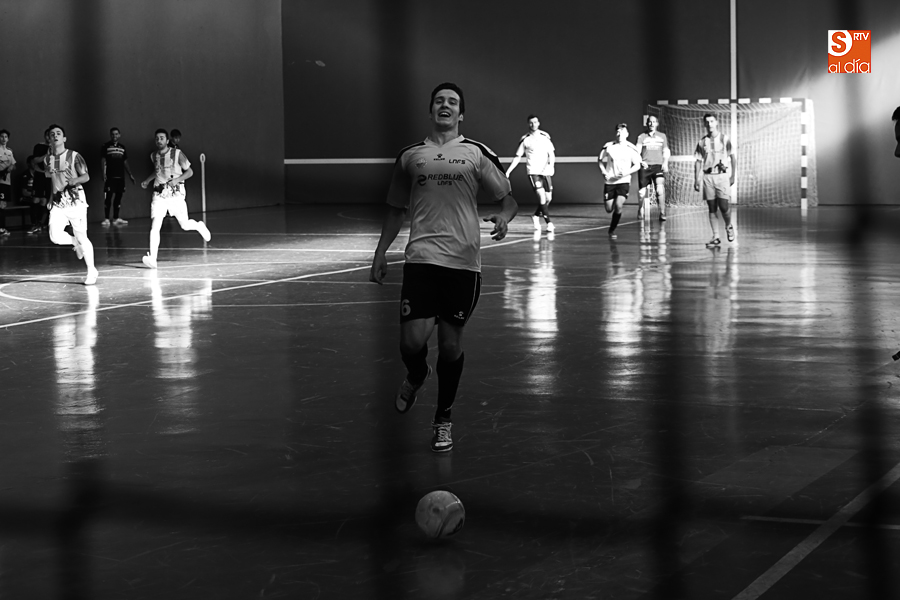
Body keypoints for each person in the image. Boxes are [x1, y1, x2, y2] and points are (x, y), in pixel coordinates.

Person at [369, 82, 518, 453]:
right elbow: (395, 209)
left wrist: (504, 217)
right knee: (411, 342)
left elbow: (508, 199)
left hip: (463, 264)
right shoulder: (410, 156)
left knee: (450, 347)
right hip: (421, 259)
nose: (445, 105)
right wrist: (380, 252)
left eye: (452, 102)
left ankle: (443, 419)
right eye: (439, 101)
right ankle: (418, 373)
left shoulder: (476, 153)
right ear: (431, 110)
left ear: (461, 113)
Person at [36, 124, 99, 285]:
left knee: (83, 236)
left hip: (76, 201)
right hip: (58, 203)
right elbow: (53, 180)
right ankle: (74, 242)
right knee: (55, 236)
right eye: (52, 134)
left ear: (64, 138)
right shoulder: (48, 159)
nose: (55, 136)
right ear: (49, 139)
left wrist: (75, 180)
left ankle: (91, 270)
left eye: (58, 133)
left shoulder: (74, 156)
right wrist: (50, 198)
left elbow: (86, 177)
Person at [140, 129, 211, 269]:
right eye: (157, 138)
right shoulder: (153, 156)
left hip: (176, 196)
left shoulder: (177, 154)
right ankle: (153, 258)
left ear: (167, 140)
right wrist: (147, 181)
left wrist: (177, 180)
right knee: (155, 225)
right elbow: (158, 171)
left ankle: (199, 226)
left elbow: (190, 172)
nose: (159, 140)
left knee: (185, 225)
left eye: (162, 138)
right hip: (159, 196)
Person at [505, 114, 555, 234]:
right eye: (531, 123)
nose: (533, 124)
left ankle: (536, 216)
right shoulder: (525, 139)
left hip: (545, 172)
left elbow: (551, 154)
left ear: (539, 123)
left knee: (548, 198)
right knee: (541, 196)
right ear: (528, 124)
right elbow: (517, 157)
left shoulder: (545, 137)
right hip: (533, 172)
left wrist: (551, 166)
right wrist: (508, 171)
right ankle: (549, 223)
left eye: (535, 122)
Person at [693, 113, 736, 247]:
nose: (709, 124)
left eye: (712, 121)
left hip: (722, 176)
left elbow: (732, 157)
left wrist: (733, 175)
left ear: (716, 122)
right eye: (707, 122)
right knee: (712, 207)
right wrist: (696, 179)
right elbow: (698, 161)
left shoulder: (724, 139)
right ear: (704, 124)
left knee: (723, 206)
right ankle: (716, 236)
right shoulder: (702, 142)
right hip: (708, 177)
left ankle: (728, 226)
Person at [598, 123, 641, 239]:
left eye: (622, 131)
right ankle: (612, 207)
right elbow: (600, 160)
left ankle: (612, 230)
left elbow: (637, 165)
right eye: (618, 131)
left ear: (627, 134)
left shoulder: (631, 148)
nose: (619, 133)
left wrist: (627, 172)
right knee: (609, 209)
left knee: (618, 205)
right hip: (610, 182)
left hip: (624, 181)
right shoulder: (609, 146)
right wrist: (604, 172)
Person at [635, 115, 670, 221]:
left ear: (657, 124)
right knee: (641, 193)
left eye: (654, 122)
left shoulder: (662, 136)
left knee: (659, 189)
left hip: (658, 166)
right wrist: (641, 162)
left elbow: (666, 151)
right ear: (647, 123)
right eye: (650, 122)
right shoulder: (641, 137)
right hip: (645, 167)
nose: (652, 124)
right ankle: (640, 209)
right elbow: (636, 152)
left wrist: (665, 162)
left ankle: (662, 212)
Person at [100, 127, 136, 226]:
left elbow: (125, 162)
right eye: (112, 134)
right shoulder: (106, 146)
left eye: (116, 134)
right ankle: (107, 219)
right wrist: (103, 173)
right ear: (110, 135)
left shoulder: (122, 147)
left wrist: (130, 174)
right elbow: (103, 160)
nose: (114, 136)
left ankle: (116, 218)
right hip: (110, 177)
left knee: (118, 197)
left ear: (119, 135)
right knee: (109, 197)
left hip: (120, 177)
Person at [29, 129, 52, 234]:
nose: (49, 138)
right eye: (48, 135)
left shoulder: (56, 147)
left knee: (44, 200)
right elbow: (35, 160)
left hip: (50, 176)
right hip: (40, 175)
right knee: (36, 200)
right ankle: (33, 223)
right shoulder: (39, 146)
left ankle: (41, 223)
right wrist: (47, 155)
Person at [0, 129, 15, 236]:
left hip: (6, 182)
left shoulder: (9, 151)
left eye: (6, 137)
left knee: (3, 204)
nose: (4, 139)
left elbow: (13, 164)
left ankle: (2, 228)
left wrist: (11, 167)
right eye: (2, 136)